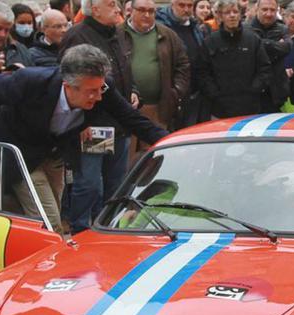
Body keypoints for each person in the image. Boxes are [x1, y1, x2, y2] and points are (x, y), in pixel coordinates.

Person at [0, 45, 168, 231]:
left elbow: (132, 118)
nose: (99, 96)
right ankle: (48, 268)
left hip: (56, 154)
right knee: (48, 219)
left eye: (100, 89)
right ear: (68, 86)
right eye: (91, 91)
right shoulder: (30, 81)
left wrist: (172, 141)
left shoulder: (101, 88)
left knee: (52, 212)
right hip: (21, 155)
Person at [61, 0, 139, 233]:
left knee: (116, 183)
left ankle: (109, 227)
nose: (117, 8)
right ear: (94, 9)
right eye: (110, 3)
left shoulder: (118, 33)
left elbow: (124, 67)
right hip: (93, 124)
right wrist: (79, 119)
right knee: (90, 183)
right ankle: (81, 229)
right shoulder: (77, 35)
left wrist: (134, 90)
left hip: (120, 123)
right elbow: (68, 81)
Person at [123, 0, 190, 132]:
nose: (147, 15)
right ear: (131, 11)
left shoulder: (168, 35)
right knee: (128, 150)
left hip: (158, 109)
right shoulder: (118, 33)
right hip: (125, 108)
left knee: (154, 149)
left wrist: (175, 92)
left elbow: (183, 65)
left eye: (151, 11)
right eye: (142, 10)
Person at [197, 0, 271, 117]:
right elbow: (202, 72)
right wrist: (214, 93)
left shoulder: (253, 40)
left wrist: (255, 89)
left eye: (235, 11)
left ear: (240, 14)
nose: (232, 15)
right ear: (220, 16)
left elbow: (265, 68)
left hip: (250, 108)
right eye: (227, 12)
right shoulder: (210, 42)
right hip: (219, 109)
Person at [157, 0, 207, 127]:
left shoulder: (195, 27)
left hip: (194, 91)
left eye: (189, 6)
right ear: (172, 4)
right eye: (181, 5)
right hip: (171, 92)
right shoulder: (162, 27)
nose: (186, 9)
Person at [249, 0, 290, 112]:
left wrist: (260, 43)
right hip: (252, 91)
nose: (269, 13)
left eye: (272, 10)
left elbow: (287, 48)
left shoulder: (283, 29)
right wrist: (274, 44)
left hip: (275, 92)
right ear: (257, 9)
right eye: (265, 9)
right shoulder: (246, 29)